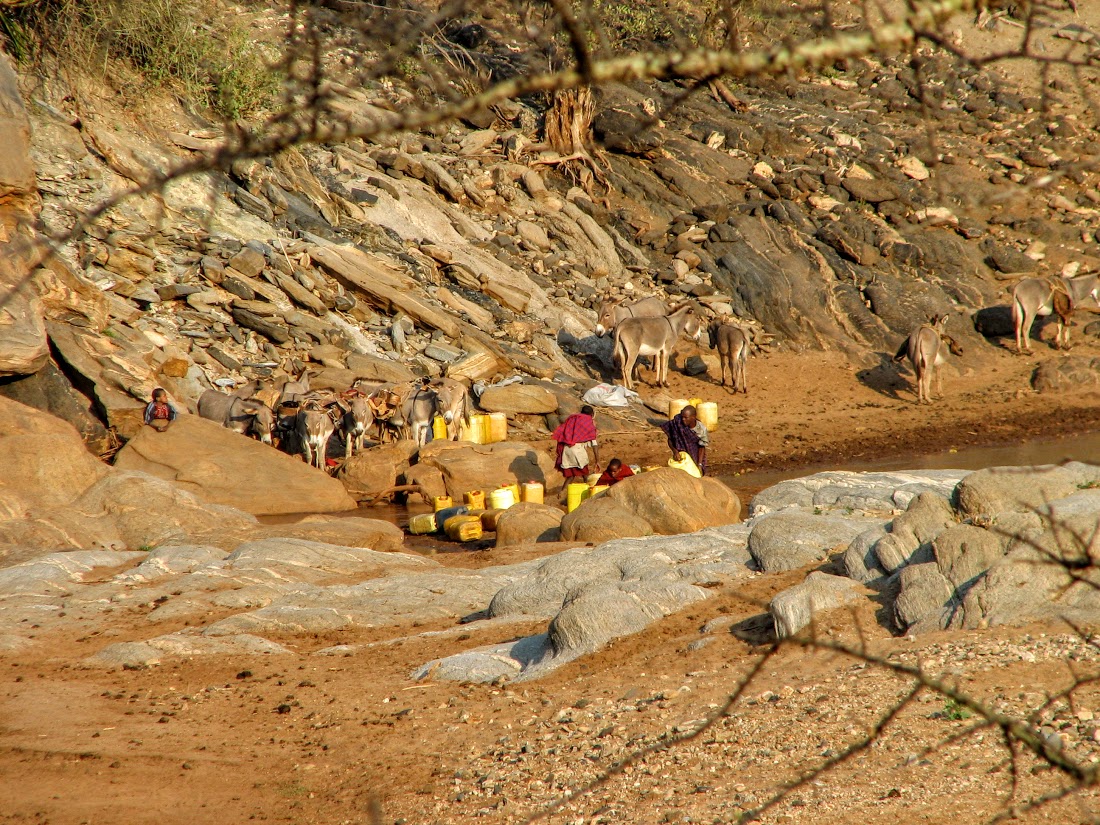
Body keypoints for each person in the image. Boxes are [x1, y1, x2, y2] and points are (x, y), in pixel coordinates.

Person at [552, 404, 600, 480]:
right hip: (577, 451)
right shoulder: (589, 423)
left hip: (566, 450)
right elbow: (594, 444)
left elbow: (563, 432)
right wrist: (597, 461)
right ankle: (590, 489)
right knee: (584, 473)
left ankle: (562, 491)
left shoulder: (573, 418)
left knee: (571, 475)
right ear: (592, 414)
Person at [660, 404, 708, 475]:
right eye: (682, 417)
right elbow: (670, 440)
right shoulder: (677, 424)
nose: (683, 419)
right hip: (680, 458)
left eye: (686, 418)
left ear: (693, 417)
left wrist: (699, 465)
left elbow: (702, 447)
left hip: (694, 457)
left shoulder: (701, 429)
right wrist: (675, 451)